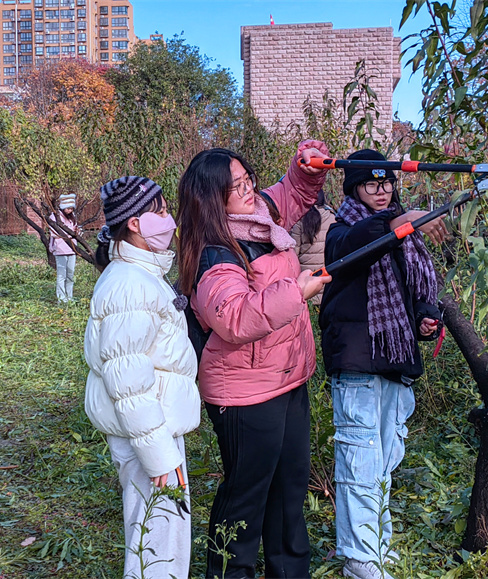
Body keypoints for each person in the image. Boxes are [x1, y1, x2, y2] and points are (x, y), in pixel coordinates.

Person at [176, 140, 331, 579]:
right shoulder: (214, 253)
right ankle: (230, 573)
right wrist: (296, 292)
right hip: (245, 396)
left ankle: (290, 572)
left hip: (287, 380)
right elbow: (235, 317)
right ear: (212, 200)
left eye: (249, 180)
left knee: (289, 491)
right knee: (246, 498)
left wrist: (306, 166)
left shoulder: (259, 215)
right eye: (237, 186)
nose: (250, 190)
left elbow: (293, 193)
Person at [318, 149, 447, 579]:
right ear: (353, 187)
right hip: (357, 363)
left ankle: (376, 546)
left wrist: (425, 318)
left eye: (387, 182)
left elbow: (414, 291)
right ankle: (358, 558)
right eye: (371, 183)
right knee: (360, 459)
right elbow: (357, 249)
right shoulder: (341, 230)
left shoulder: (405, 235)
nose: (381, 189)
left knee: (385, 460)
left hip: (395, 362)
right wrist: (396, 221)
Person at [84, 176, 201, 579]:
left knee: (159, 531)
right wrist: (159, 457)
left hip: (154, 429)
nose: (169, 219)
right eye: (161, 210)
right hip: (149, 435)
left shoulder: (139, 276)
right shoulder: (129, 285)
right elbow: (128, 384)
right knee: (157, 538)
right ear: (134, 222)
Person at [289, 190, 337, 305]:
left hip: (307, 284)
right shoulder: (332, 216)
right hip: (327, 282)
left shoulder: (299, 219)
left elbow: (292, 254)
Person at [49, 192, 79, 303]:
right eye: (68, 208)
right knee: (61, 275)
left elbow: (75, 231)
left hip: (72, 249)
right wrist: (68, 235)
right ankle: (61, 298)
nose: (70, 211)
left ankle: (69, 297)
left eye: (71, 208)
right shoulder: (54, 216)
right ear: (63, 207)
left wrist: (76, 232)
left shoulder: (72, 217)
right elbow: (53, 233)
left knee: (70, 275)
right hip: (60, 249)